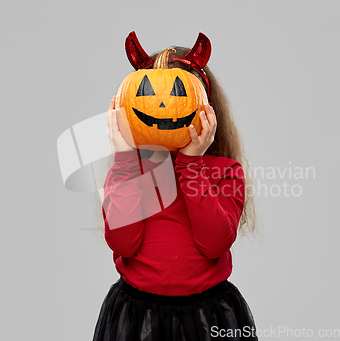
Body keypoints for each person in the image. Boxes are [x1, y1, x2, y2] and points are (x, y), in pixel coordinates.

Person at [93, 32, 259, 341]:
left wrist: (190, 165)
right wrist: (126, 157)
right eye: (145, 93)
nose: (160, 104)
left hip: (207, 317)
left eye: (178, 94)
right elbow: (123, 243)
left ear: (206, 110)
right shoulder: (128, 171)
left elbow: (214, 243)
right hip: (137, 316)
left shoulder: (226, 172)